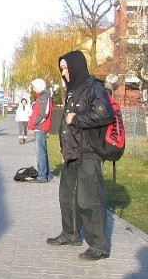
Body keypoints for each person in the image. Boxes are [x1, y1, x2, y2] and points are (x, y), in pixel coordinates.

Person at [46, 50, 115, 261]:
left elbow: (104, 114)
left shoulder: (93, 87)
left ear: (76, 66)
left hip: (89, 152)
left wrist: (76, 118)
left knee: (89, 199)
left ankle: (100, 245)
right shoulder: (73, 89)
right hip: (73, 153)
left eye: (66, 68)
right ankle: (71, 234)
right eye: (62, 69)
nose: (64, 73)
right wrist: (64, 149)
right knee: (67, 197)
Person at [28, 78, 53, 182]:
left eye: (34, 87)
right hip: (39, 127)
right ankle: (46, 173)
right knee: (42, 151)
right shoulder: (42, 97)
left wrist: (34, 123)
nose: (34, 89)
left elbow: (44, 114)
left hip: (40, 127)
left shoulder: (43, 97)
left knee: (40, 152)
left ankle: (42, 175)